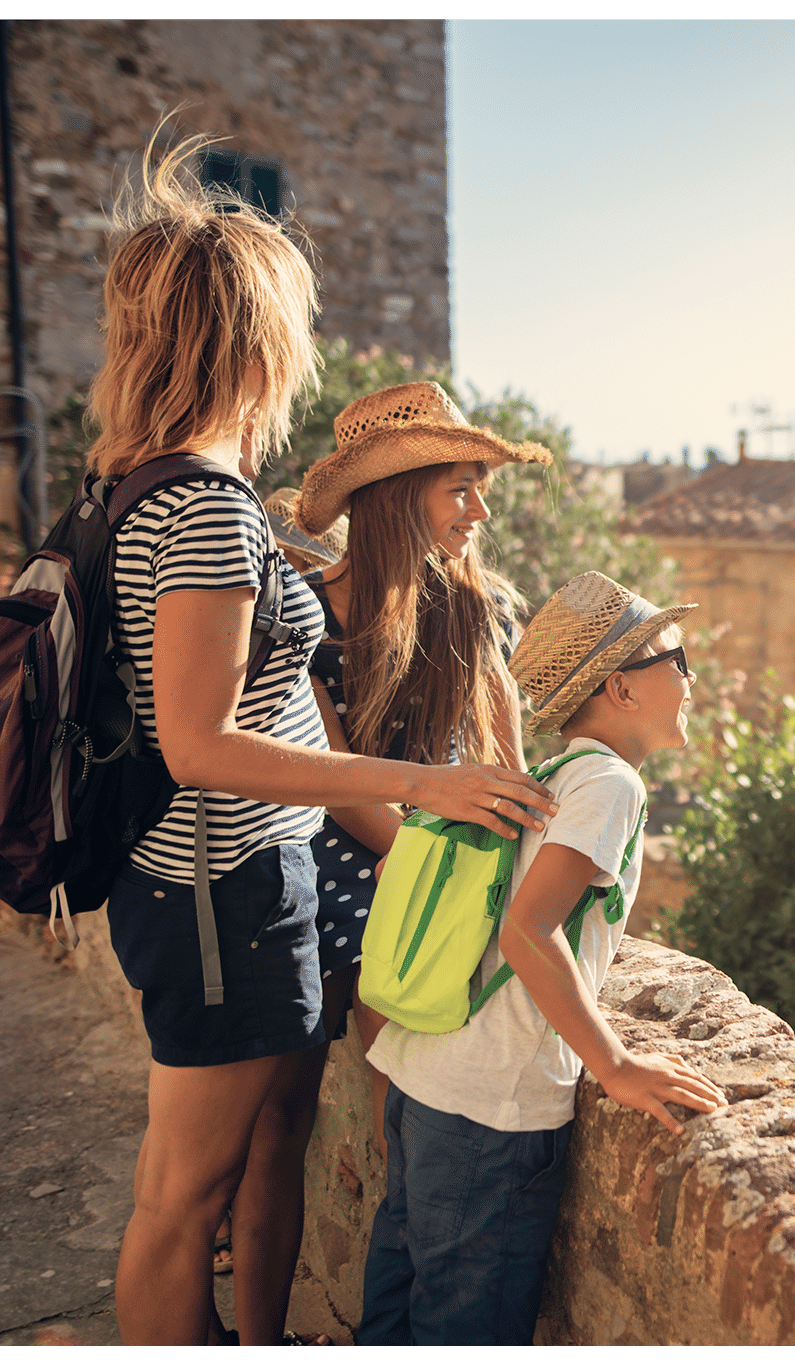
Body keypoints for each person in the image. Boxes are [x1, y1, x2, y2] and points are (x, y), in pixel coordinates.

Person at [88, 130, 558, 1347]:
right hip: (218, 885)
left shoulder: (148, 481)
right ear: (252, 338)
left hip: (221, 884)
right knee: (181, 1199)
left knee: (193, 1184)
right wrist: (421, 782)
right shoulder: (196, 502)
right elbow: (200, 743)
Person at [357, 571, 730, 1346]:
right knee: (465, 1331)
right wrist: (616, 1065)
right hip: (494, 1105)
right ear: (622, 689)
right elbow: (529, 931)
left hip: (430, 1072)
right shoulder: (611, 785)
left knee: (397, 1308)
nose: (691, 679)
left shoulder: (554, 773)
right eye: (677, 659)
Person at [290, 380, 547, 1155]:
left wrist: (512, 867)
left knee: (413, 1051)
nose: (482, 512)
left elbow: (508, 759)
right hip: (347, 845)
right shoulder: (305, 614)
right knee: (288, 1097)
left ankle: (405, 1197)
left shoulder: (481, 610)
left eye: (482, 491)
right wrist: (427, 869)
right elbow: (331, 774)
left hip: (439, 845)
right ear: (397, 497)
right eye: (461, 490)